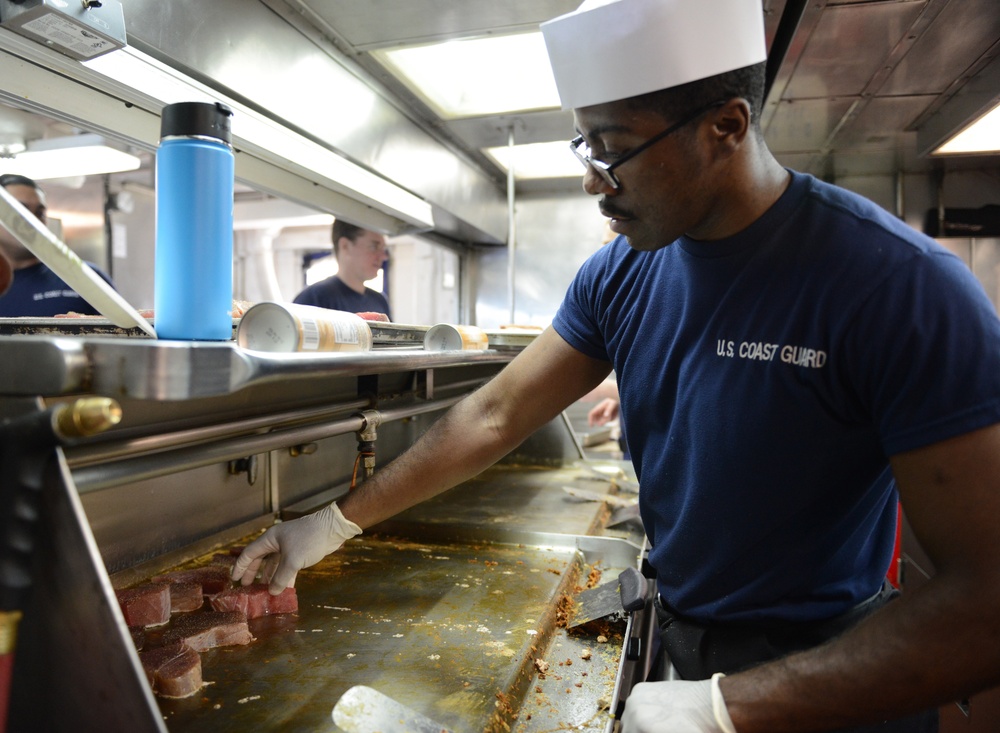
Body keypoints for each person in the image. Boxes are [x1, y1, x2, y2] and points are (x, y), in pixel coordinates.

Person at [233, 1, 1000, 731]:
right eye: (585, 146)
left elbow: (985, 602)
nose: (592, 179)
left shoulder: (896, 286)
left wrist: (733, 709)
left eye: (614, 148)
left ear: (725, 127)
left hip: (829, 671)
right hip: (685, 644)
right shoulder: (622, 275)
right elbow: (496, 413)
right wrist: (335, 522)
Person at [0, 173, 114, 317]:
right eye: (19, 211)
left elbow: (125, 335)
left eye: (39, 213)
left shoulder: (86, 278)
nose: (32, 221)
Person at [292, 219, 392, 319]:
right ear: (345, 246)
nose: (383, 256)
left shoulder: (380, 301)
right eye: (374, 246)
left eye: (383, 248)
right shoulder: (313, 299)